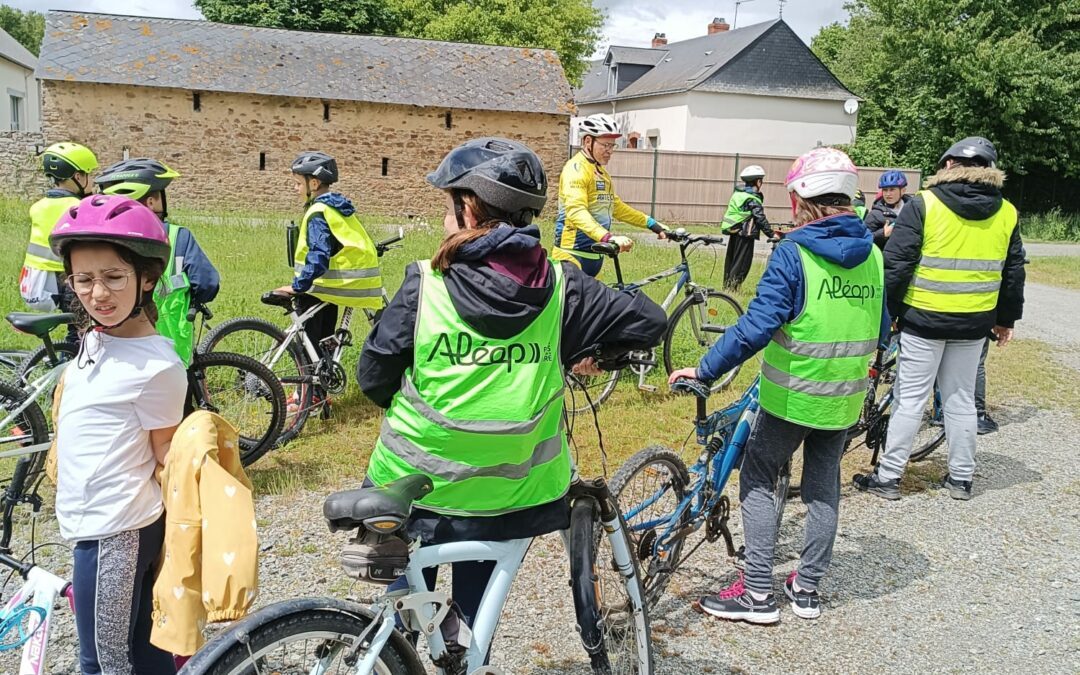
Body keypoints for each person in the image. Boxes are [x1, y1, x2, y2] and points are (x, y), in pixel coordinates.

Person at [357, 137, 666, 631]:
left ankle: (400, 644)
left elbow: (372, 378)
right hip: (507, 496)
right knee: (471, 626)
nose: (443, 217)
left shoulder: (425, 284)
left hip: (411, 488)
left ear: (468, 207)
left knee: (402, 612)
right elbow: (650, 320)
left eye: (448, 204)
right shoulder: (565, 288)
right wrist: (587, 351)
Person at [670, 147, 888, 624]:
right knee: (823, 486)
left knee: (760, 478)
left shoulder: (795, 253)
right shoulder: (873, 254)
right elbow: (883, 327)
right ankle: (807, 590)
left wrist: (704, 369)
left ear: (799, 201)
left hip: (792, 398)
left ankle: (756, 594)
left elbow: (755, 327)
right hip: (844, 399)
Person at [49, 194, 187, 674]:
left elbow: (167, 453)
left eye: (114, 277)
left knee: (102, 664)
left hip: (116, 533)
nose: (97, 293)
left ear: (147, 278)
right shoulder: (96, 338)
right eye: (83, 279)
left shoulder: (157, 366)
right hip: (95, 523)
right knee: (142, 651)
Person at [854, 136, 1025, 501]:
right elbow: (1013, 273)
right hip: (974, 324)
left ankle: (889, 477)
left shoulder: (924, 205)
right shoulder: (1007, 212)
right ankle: (961, 479)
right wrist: (1006, 320)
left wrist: (892, 313)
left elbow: (896, 264)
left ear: (948, 165)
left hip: (922, 320)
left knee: (910, 399)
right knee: (960, 400)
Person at [95, 158, 221, 365]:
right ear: (151, 202)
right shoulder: (177, 236)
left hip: (115, 352)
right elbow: (208, 283)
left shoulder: (101, 241)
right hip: (168, 352)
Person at [275, 151, 382, 387]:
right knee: (324, 342)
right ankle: (319, 392)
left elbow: (319, 255)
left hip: (316, 287)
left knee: (309, 344)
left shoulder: (317, 212)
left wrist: (296, 287)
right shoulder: (340, 208)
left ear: (313, 183)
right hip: (336, 289)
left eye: (296, 183)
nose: (295, 189)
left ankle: (309, 396)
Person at [551, 114, 668, 277]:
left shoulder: (600, 172)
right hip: (572, 256)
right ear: (587, 142)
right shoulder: (576, 169)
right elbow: (576, 211)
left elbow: (616, 206)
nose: (610, 151)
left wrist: (651, 224)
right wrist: (608, 237)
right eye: (605, 145)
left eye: (613, 146)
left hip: (594, 255)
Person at [22, 142, 98, 342]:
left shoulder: (37, 207)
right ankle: (70, 367)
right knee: (80, 331)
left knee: (74, 328)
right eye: (90, 174)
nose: (92, 180)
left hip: (44, 280)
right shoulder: (79, 206)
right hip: (71, 278)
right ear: (78, 177)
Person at [722, 165, 776, 291]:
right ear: (758, 181)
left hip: (735, 231)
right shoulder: (752, 198)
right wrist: (772, 234)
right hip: (746, 234)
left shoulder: (739, 194)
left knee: (731, 261)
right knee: (742, 263)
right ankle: (733, 289)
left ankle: (727, 288)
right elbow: (760, 218)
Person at [864, 170, 912, 249]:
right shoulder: (875, 214)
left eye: (892, 189)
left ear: (903, 191)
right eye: (885, 190)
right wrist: (883, 234)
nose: (888, 194)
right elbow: (863, 239)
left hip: (910, 258)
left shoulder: (913, 210)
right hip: (886, 259)